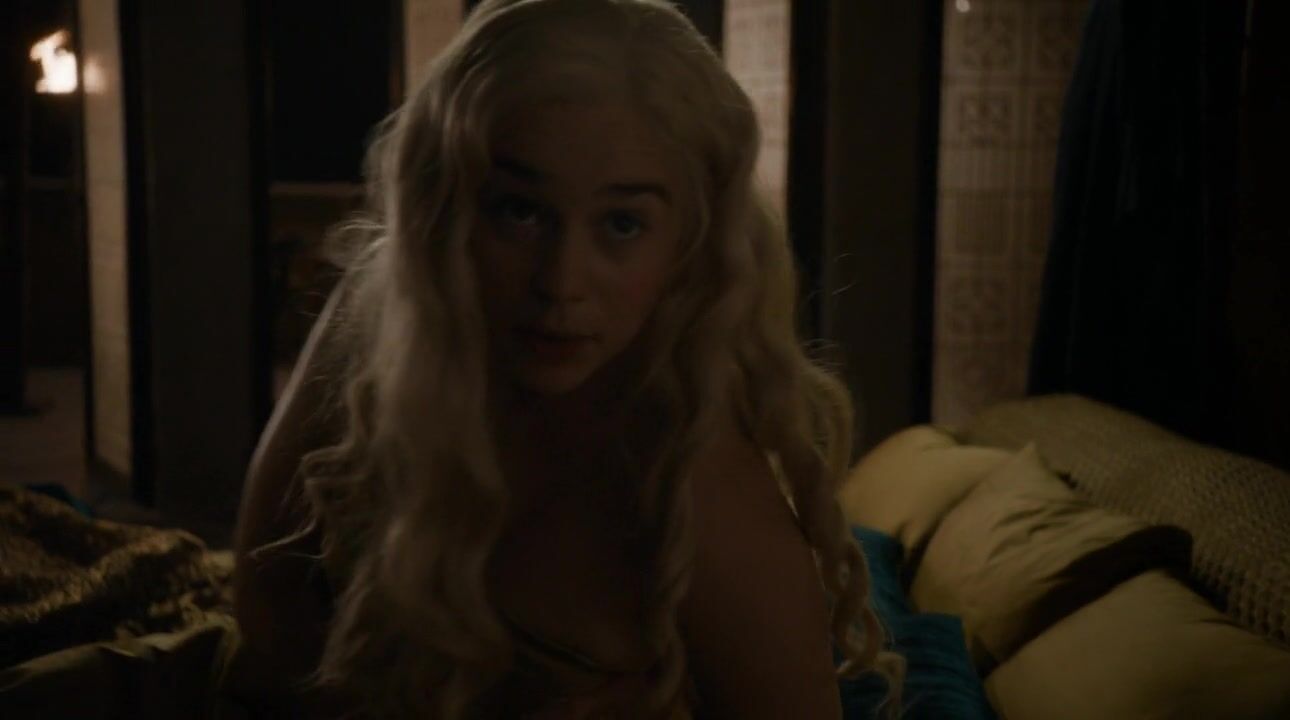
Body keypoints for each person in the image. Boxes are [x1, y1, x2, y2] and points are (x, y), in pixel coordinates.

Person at [231, 0, 903, 717]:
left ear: (691, 242)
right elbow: (266, 604)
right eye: (519, 211)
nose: (561, 281)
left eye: (622, 223)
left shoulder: (692, 486)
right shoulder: (377, 324)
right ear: (446, 208)